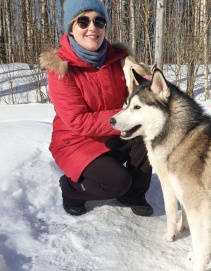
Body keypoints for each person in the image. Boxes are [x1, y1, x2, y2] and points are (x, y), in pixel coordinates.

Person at [39, 0, 153, 217]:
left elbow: (130, 95)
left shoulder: (117, 60)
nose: (92, 28)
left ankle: (133, 194)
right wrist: (124, 118)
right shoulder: (61, 70)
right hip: (74, 142)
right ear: (71, 28)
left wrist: (144, 86)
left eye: (98, 21)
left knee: (147, 133)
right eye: (83, 21)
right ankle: (71, 190)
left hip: (110, 133)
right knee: (117, 181)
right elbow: (77, 121)